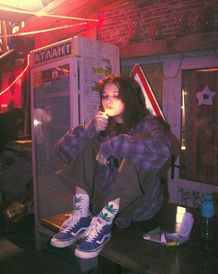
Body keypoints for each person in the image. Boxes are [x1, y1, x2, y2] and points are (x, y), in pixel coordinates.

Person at [50, 75, 171, 259]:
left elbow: (162, 152)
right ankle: (82, 215)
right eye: (105, 95)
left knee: (137, 147)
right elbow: (61, 151)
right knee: (87, 140)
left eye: (116, 95)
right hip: (102, 200)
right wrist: (90, 130)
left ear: (129, 98)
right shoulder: (101, 123)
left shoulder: (148, 124)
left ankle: (104, 222)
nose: (108, 100)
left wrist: (116, 144)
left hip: (138, 206)